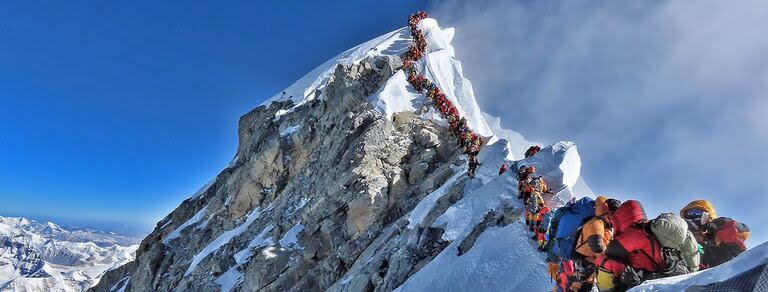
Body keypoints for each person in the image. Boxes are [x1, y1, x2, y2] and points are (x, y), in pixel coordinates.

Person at [596, 200, 665, 292]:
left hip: (648, 276)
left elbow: (611, 251)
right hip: (647, 273)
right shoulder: (641, 228)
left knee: (604, 261)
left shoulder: (635, 232)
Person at [681, 200, 749, 269]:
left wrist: (717, 227)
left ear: (707, 214)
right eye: (688, 215)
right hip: (713, 277)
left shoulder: (721, 227)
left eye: (695, 212)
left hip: (740, 271)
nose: (692, 216)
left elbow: (744, 231)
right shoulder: (694, 247)